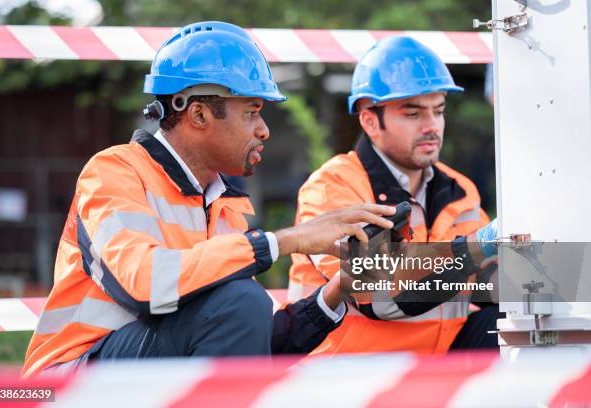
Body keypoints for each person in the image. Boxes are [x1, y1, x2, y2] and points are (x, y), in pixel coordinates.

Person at [22, 21, 397, 376]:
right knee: (242, 300)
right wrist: (286, 241)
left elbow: (241, 338)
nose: (264, 130)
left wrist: (336, 292)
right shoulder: (114, 171)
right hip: (64, 383)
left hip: (136, 369)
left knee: (246, 305)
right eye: (252, 112)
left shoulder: (223, 205)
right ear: (199, 114)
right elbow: (144, 286)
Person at [288, 36, 501, 355]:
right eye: (413, 114)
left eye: (438, 111)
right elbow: (378, 296)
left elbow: (488, 285)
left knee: (517, 322)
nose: (432, 126)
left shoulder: (460, 190)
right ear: (370, 121)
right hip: (348, 378)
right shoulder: (332, 187)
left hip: (433, 369)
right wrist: (477, 246)